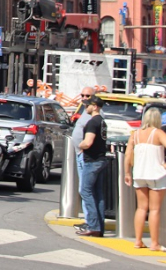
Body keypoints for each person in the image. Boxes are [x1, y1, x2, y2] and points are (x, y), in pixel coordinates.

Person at [124, 107, 166, 251]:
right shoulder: (158, 133)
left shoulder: (135, 134)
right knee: (154, 210)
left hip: (139, 173)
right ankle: (154, 243)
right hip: (156, 174)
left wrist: (127, 172)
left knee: (141, 208)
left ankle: (138, 240)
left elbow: (128, 154)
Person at [77, 97, 108, 237]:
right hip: (101, 159)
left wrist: (80, 145)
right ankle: (99, 226)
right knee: (98, 194)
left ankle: (93, 225)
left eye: (88, 105)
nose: (86, 107)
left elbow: (88, 142)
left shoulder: (92, 122)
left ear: (95, 106)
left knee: (86, 192)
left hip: (92, 161)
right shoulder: (102, 122)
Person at [71, 86, 96, 230]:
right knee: (84, 189)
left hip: (86, 156)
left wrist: (83, 149)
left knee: (86, 190)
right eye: (83, 95)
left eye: (88, 96)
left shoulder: (94, 114)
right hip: (81, 155)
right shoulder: (85, 111)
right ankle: (90, 220)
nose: (84, 98)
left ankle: (91, 223)